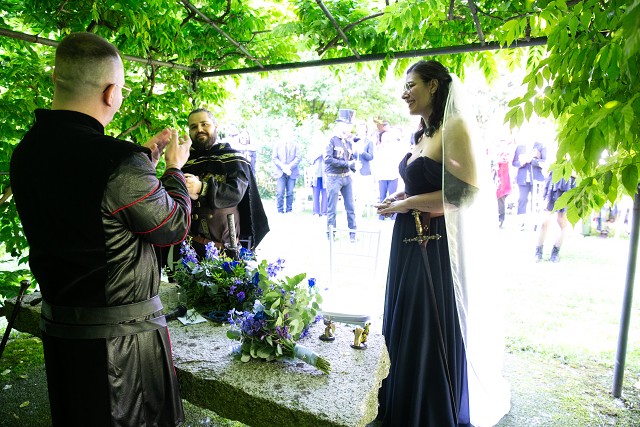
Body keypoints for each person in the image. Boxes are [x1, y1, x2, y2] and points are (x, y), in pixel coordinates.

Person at [9, 32, 191, 426]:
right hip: (123, 350)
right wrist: (174, 171)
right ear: (111, 93)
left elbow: (89, 206)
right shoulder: (118, 162)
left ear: (57, 79)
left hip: (63, 338)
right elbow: (172, 226)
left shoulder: (25, 154)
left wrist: (143, 165)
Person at [375, 59, 510, 427]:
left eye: (411, 85)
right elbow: (423, 184)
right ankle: (400, 400)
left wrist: (406, 204)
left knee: (425, 321)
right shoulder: (421, 134)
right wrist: (400, 198)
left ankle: (425, 410)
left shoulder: (456, 127)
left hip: (432, 245)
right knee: (405, 314)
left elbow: (463, 192)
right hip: (407, 239)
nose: (404, 93)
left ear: (433, 85)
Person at [177, 108, 269, 257]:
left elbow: (236, 192)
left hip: (225, 247)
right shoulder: (184, 160)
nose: (199, 129)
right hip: (190, 249)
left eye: (204, 124)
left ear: (215, 126)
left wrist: (201, 188)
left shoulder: (233, 158)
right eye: (194, 127)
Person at [325, 109, 357, 240]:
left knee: (350, 207)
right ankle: (331, 234)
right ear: (340, 124)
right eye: (347, 125)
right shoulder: (331, 140)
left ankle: (353, 234)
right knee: (332, 209)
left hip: (347, 178)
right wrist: (347, 164)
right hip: (334, 178)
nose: (349, 128)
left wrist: (354, 165)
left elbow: (350, 159)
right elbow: (328, 159)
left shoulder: (348, 141)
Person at [535, 172, 576, 262]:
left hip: (568, 182)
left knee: (561, 221)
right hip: (553, 179)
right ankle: (538, 251)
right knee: (544, 221)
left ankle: (555, 252)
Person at [512, 136, 547, 230]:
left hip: (536, 178)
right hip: (523, 178)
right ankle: (521, 222)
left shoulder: (540, 146)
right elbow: (514, 162)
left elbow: (544, 161)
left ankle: (535, 222)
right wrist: (521, 162)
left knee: (535, 200)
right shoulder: (519, 147)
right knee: (522, 199)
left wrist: (532, 160)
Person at [374, 124, 405, 220]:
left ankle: (393, 216)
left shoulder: (395, 150)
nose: (386, 142)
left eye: (388, 140)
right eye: (385, 140)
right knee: (382, 197)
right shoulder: (379, 150)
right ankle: (381, 216)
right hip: (382, 176)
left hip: (393, 176)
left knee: (393, 197)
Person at [272, 127, 302, 213]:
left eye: (289, 133)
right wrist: (283, 167)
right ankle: (280, 210)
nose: (287, 135)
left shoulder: (296, 145)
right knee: (280, 192)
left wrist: (289, 167)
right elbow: (274, 158)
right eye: (285, 133)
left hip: (292, 172)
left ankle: (289, 210)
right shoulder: (277, 144)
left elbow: (298, 157)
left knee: (290, 192)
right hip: (280, 172)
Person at [492, 136, 514, 228]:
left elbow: (506, 160)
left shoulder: (506, 153)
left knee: (500, 199)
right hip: (494, 177)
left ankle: (500, 219)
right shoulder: (494, 151)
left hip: (502, 178)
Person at [308, 138, 328, 216]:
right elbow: (309, 160)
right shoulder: (311, 149)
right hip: (315, 176)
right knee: (315, 194)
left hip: (325, 176)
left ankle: (324, 212)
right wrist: (317, 155)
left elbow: (329, 160)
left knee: (325, 194)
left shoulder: (327, 149)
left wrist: (323, 154)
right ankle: (316, 212)